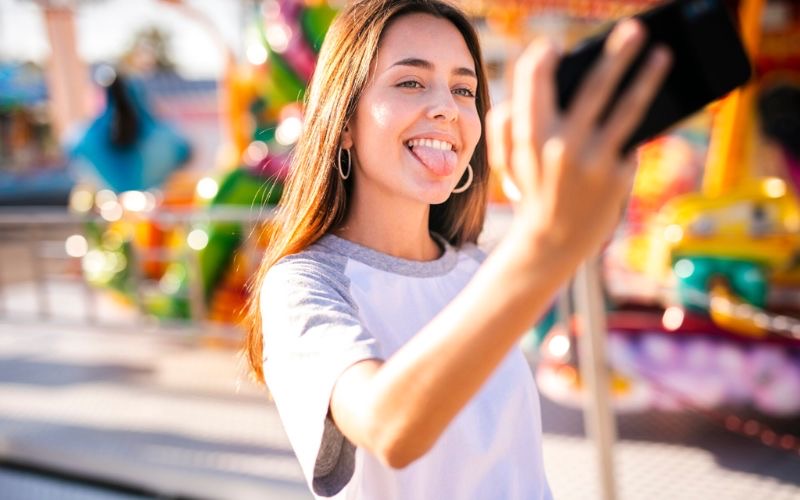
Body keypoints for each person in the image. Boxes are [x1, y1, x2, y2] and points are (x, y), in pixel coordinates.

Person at [244, 0, 671, 498]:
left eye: (464, 88)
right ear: (343, 123)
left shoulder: (477, 268)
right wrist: (545, 239)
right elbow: (388, 428)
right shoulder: (304, 284)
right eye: (411, 82)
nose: (446, 106)